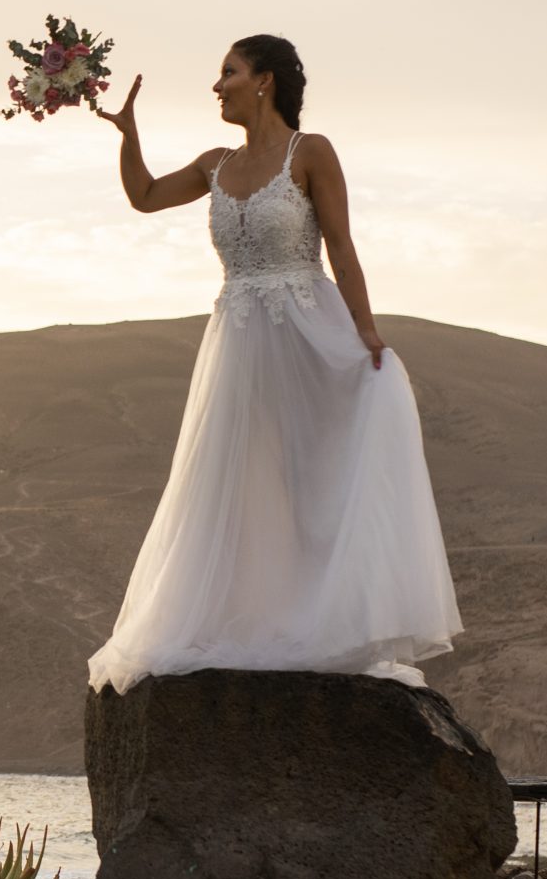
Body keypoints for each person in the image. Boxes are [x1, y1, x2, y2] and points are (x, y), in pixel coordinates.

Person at [85, 35, 460, 692]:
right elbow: (143, 195)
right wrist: (128, 133)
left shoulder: (310, 152)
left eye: (228, 72)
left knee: (311, 475)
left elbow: (341, 245)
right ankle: (252, 618)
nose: (217, 85)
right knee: (237, 480)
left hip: (307, 332)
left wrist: (366, 331)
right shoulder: (215, 163)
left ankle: (325, 618)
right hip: (238, 341)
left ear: (264, 80)